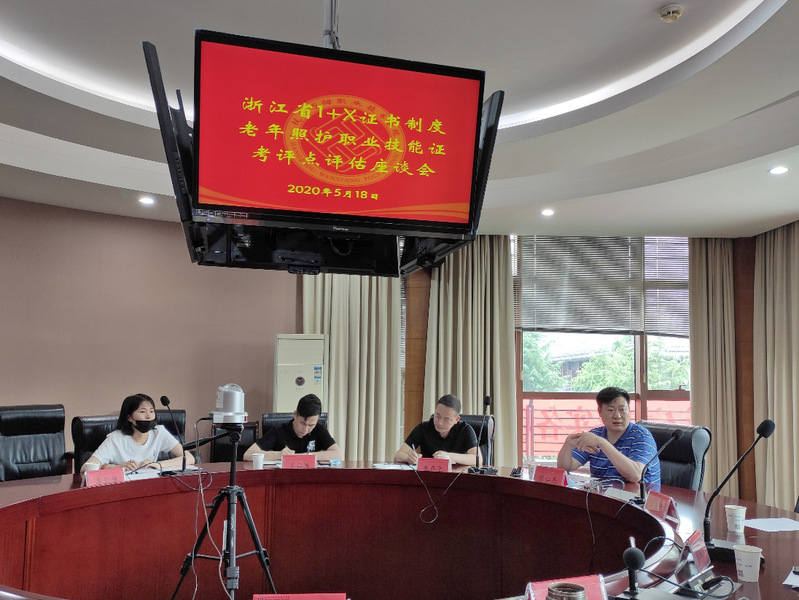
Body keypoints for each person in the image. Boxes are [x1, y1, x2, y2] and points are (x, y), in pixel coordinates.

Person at [556, 386, 660, 484]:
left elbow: (635, 475)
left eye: (622, 409)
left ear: (629, 410)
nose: (617, 416)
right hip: (604, 494)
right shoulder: (595, 434)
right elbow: (565, 468)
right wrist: (568, 445)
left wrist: (601, 442)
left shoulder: (642, 437)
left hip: (639, 496)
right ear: (600, 412)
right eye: (610, 410)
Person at [80, 393, 194, 473]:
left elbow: (189, 458)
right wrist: (117, 467)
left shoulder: (159, 433)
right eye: (143, 412)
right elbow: (85, 468)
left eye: (152, 411)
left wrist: (158, 465)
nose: (149, 416)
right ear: (129, 417)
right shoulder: (116, 439)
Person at [243, 394, 342, 461]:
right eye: (302, 423)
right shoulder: (279, 431)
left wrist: (307, 456)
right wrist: (279, 455)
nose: (306, 429)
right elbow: (248, 454)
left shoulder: (319, 430)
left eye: (311, 425)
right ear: (295, 415)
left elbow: (338, 455)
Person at [394, 394, 479, 466]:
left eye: (446, 419)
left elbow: (477, 459)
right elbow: (397, 456)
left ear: (456, 420)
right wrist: (408, 458)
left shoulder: (465, 430)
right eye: (438, 416)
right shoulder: (423, 428)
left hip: (457, 477)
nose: (440, 422)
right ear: (435, 409)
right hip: (428, 476)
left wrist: (451, 457)